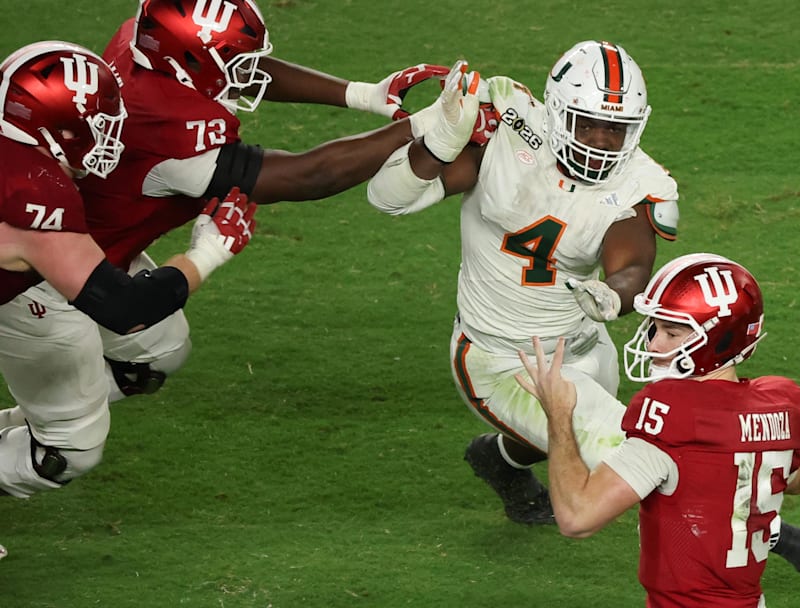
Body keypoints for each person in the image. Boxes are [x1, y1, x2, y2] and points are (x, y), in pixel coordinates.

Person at [367, 41, 800, 604]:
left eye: (616, 129)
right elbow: (388, 197)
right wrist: (424, 134)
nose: (602, 141)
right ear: (557, 110)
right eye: (589, 124)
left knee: (574, 438)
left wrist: (615, 293)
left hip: (584, 343)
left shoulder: (640, 180)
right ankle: (792, 542)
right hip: (502, 357)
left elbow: (631, 264)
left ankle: (498, 459)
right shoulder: (508, 132)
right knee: (640, 455)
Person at [69, 0, 458, 399]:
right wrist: (422, 125)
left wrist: (362, 94)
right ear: (189, 62)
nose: (245, 71)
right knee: (78, 425)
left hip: (93, 235)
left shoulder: (144, 44)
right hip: (65, 269)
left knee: (162, 349)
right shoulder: (166, 131)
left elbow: (235, 71)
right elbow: (310, 176)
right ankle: (50, 413)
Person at [515, 253, 800, 607]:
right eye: (655, 328)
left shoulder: (671, 413)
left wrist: (559, 414)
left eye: (672, 333)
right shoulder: (781, 404)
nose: (653, 345)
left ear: (719, 340)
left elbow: (577, 516)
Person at [0, 41, 256, 499]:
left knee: (155, 352)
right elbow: (124, 308)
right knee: (64, 453)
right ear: (58, 129)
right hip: (21, 298)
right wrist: (209, 252)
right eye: (96, 125)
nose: (108, 139)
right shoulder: (34, 197)